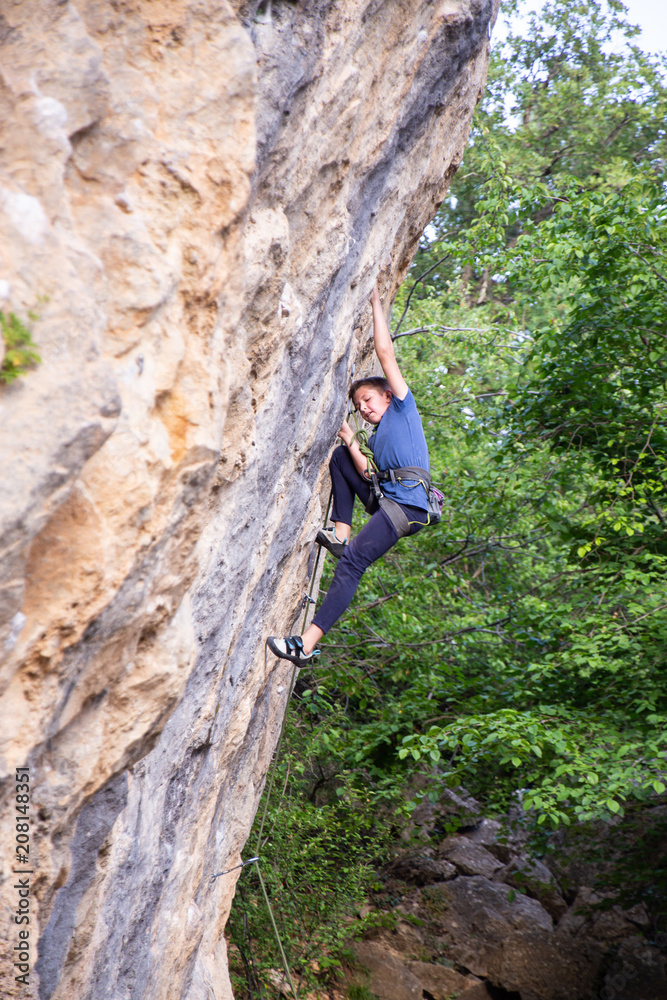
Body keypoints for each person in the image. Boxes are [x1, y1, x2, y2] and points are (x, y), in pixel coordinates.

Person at [267, 285, 431, 664]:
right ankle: (340, 534)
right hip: (390, 498)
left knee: (354, 563)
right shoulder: (379, 435)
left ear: (388, 395)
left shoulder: (404, 408)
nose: (365, 408)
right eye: (359, 406)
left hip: (406, 507)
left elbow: (385, 353)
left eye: (369, 400)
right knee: (342, 458)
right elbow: (368, 475)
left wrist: (375, 303)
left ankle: (304, 646)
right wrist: (350, 438)